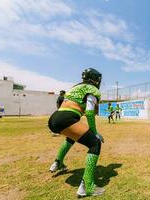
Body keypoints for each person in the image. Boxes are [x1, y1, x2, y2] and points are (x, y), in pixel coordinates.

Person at [48, 68, 105, 197]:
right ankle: (87, 186)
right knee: (95, 143)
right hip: (66, 118)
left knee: (71, 138)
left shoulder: (76, 88)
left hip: (54, 117)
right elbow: (90, 112)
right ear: (94, 79)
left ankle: (58, 162)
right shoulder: (92, 90)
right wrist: (94, 132)